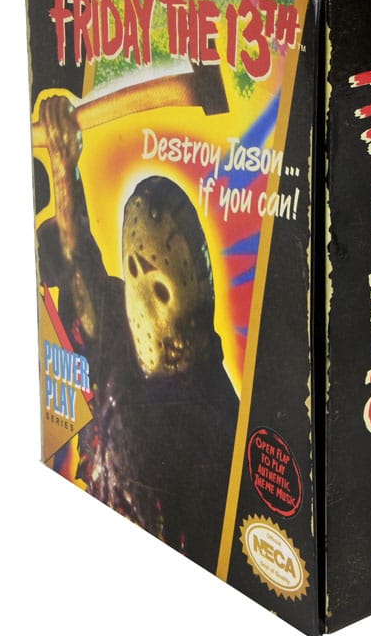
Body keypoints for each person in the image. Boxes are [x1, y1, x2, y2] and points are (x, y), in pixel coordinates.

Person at [36, 95, 239, 570]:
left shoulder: (216, 423)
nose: (140, 301)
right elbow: (81, 273)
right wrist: (64, 167)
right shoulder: (118, 325)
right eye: (134, 271)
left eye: (160, 289)